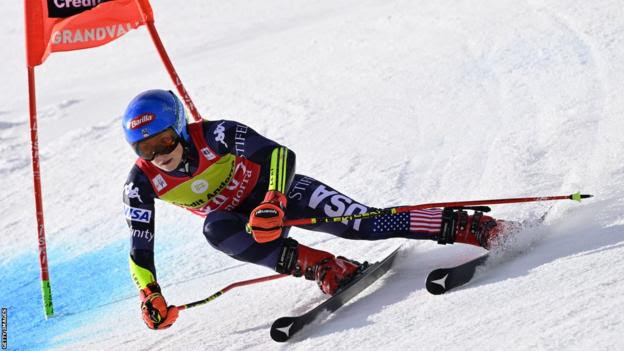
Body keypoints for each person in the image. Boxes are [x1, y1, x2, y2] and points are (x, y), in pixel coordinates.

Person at [122, 89, 510, 330]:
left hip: (282, 195)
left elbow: (277, 154)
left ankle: (467, 226)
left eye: (165, 141)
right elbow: (140, 246)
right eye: (146, 149)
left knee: (362, 224)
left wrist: (273, 199)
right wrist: (150, 294)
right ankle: (326, 268)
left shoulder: (215, 134)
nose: (160, 155)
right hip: (245, 223)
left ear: (179, 127)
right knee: (215, 229)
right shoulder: (141, 183)